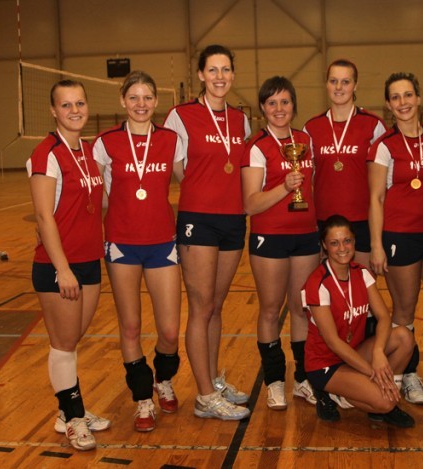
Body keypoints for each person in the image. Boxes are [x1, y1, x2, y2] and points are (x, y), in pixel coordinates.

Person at [92, 71, 183, 432]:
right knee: (130, 326)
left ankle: (164, 379)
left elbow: (189, 181)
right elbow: (92, 192)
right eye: (134, 97)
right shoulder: (106, 142)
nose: (141, 104)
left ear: (156, 101)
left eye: (147, 97)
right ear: (122, 101)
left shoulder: (171, 140)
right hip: (122, 242)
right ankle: (144, 399)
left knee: (170, 331)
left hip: (162, 243)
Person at [164, 45, 251, 420]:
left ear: (233, 75)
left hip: (233, 220)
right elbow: (178, 169)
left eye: (226, 70)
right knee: (200, 308)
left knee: (215, 305)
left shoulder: (241, 119)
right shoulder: (181, 116)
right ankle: (203, 397)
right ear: (201, 74)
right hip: (198, 220)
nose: (220, 77)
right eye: (212, 70)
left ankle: (214, 380)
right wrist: (204, 191)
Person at [27, 79, 110, 450]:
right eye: (66, 105)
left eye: (80, 103)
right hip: (58, 266)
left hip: (89, 261)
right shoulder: (46, 154)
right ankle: (74, 418)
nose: (75, 110)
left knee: (71, 341)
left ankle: (67, 409)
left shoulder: (89, 151)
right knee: (62, 344)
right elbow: (43, 217)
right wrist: (62, 269)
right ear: (53, 110)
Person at [241, 76, 319, 410]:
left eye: (284, 101)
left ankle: (302, 379)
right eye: (271, 103)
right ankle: (274, 380)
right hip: (269, 237)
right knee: (271, 309)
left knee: (302, 308)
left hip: (306, 236)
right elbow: (250, 204)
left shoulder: (305, 140)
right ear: (262, 108)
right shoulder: (256, 146)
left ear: (293, 105)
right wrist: (285, 187)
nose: (279, 108)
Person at [368, 72, 423, 405]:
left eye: (408, 95)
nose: (403, 102)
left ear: (419, 98)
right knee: (405, 310)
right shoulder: (383, 146)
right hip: (400, 235)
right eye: (396, 97)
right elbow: (376, 198)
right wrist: (376, 245)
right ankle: (408, 374)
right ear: (388, 104)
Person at [302, 215, 416, 427]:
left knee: (404, 337)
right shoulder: (317, 284)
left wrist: (378, 352)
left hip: (353, 353)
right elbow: (333, 342)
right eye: (334, 243)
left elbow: (384, 317)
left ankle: (369, 395)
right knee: (386, 402)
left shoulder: (361, 273)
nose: (342, 248)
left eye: (347, 241)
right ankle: (335, 393)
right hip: (326, 364)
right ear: (324, 246)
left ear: (354, 241)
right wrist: (373, 372)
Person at [303, 59, 386, 269]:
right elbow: (307, 177)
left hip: (363, 221)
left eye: (345, 82)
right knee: (328, 285)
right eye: (333, 81)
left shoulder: (373, 125)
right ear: (326, 84)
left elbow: (384, 180)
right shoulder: (311, 127)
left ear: (355, 85)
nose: (339, 87)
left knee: (362, 285)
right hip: (324, 221)